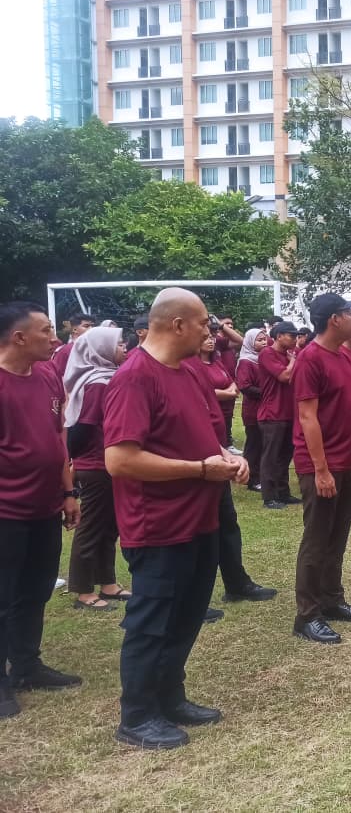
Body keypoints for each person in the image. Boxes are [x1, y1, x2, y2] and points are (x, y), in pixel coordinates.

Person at [103, 288, 249, 749]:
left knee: (187, 615)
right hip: (158, 525)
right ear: (178, 324)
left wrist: (228, 455)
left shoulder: (189, 372)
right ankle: (137, 715)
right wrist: (200, 470)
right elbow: (120, 460)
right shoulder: (134, 378)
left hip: (200, 518)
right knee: (152, 622)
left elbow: (206, 434)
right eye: (204, 322)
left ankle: (169, 696)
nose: (211, 331)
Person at [0, 302, 82, 721]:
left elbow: (57, 436)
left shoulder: (48, 374)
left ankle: (26, 665)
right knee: (3, 595)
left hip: (46, 505)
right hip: (6, 511)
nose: (55, 338)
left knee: (36, 589)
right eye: (46, 330)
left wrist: (69, 492)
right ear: (18, 337)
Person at [291, 293, 351, 645]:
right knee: (317, 538)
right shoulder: (310, 359)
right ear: (334, 319)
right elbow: (308, 417)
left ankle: (332, 599)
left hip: (344, 459)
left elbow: (349, 413)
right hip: (319, 464)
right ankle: (307, 615)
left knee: (337, 536)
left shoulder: (349, 357)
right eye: (349, 312)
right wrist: (321, 470)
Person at [192, 334, 276, 606]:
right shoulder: (176, 370)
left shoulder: (208, 365)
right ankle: (190, 600)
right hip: (194, 467)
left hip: (216, 458)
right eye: (202, 330)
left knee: (227, 525)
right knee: (196, 534)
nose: (209, 337)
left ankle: (237, 583)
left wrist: (225, 453)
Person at [64, 326, 132, 611]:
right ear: (100, 349)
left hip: (106, 464)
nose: (124, 348)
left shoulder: (107, 377)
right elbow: (82, 428)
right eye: (118, 344)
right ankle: (82, 590)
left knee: (109, 527)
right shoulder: (98, 384)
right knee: (92, 527)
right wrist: (78, 460)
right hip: (95, 465)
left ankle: (107, 582)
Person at [258, 321, 300, 510]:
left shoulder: (287, 355)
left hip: (288, 412)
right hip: (272, 413)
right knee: (271, 456)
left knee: (285, 455)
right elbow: (284, 376)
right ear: (279, 336)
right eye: (291, 336)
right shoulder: (267, 353)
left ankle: (283, 492)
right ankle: (269, 496)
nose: (295, 339)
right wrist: (293, 361)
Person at [235, 328, 268, 492]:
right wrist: (268, 392)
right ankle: (252, 478)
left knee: (264, 444)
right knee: (254, 444)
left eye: (265, 339)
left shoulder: (263, 359)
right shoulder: (246, 362)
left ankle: (261, 476)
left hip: (266, 408)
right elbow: (245, 386)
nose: (264, 342)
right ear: (250, 342)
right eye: (259, 340)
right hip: (253, 409)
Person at [214, 316, 243, 452]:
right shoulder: (214, 341)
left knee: (227, 414)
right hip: (215, 384)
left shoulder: (222, 342)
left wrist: (222, 326)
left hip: (229, 383)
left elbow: (240, 341)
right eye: (227, 323)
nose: (230, 326)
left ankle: (227, 442)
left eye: (231, 324)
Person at [50, 312, 95, 379]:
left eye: (92, 326)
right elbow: (56, 376)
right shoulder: (67, 350)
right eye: (86, 326)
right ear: (74, 329)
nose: (91, 328)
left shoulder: (93, 348)